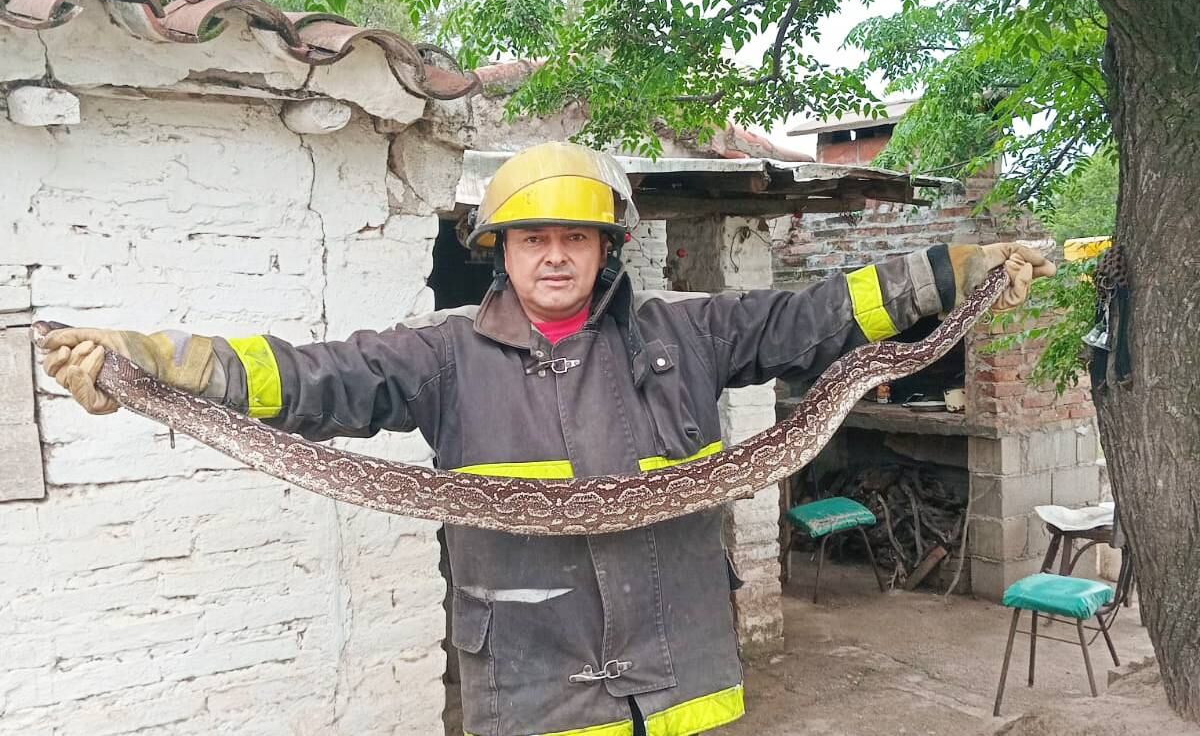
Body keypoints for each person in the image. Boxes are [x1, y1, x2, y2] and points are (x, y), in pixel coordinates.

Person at [39, 141, 1055, 736]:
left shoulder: (688, 331)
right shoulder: (437, 358)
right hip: (530, 689)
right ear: (501, 253)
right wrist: (162, 362)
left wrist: (957, 273)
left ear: (612, 248)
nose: (557, 255)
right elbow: (304, 380)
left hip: (685, 676)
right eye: (536, 238)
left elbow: (821, 316)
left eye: (577, 237)